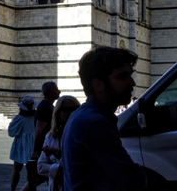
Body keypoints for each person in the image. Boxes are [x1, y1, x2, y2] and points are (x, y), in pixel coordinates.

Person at [61, 46, 146, 190]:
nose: (132, 82)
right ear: (98, 84)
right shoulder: (95, 123)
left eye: (130, 75)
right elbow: (131, 179)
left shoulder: (83, 115)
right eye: (122, 76)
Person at [36, 96, 80, 191]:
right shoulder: (51, 137)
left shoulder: (85, 134)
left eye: (75, 109)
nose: (72, 112)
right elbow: (40, 167)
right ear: (58, 114)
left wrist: (56, 167)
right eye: (66, 110)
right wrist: (59, 169)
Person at [25, 82, 60, 191]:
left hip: (46, 148)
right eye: (56, 89)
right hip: (44, 150)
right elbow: (39, 130)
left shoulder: (47, 106)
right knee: (38, 178)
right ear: (50, 92)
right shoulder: (45, 107)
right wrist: (36, 151)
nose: (58, 91)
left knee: (39, 179)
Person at [8, 97, 37, 191]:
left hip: (21, 143)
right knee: (30, 169)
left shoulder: (19, 118)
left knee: (17, 169)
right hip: (33, 143)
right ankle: (30, 189)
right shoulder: (36, 117)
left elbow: (12, 132)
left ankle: (13, 189)